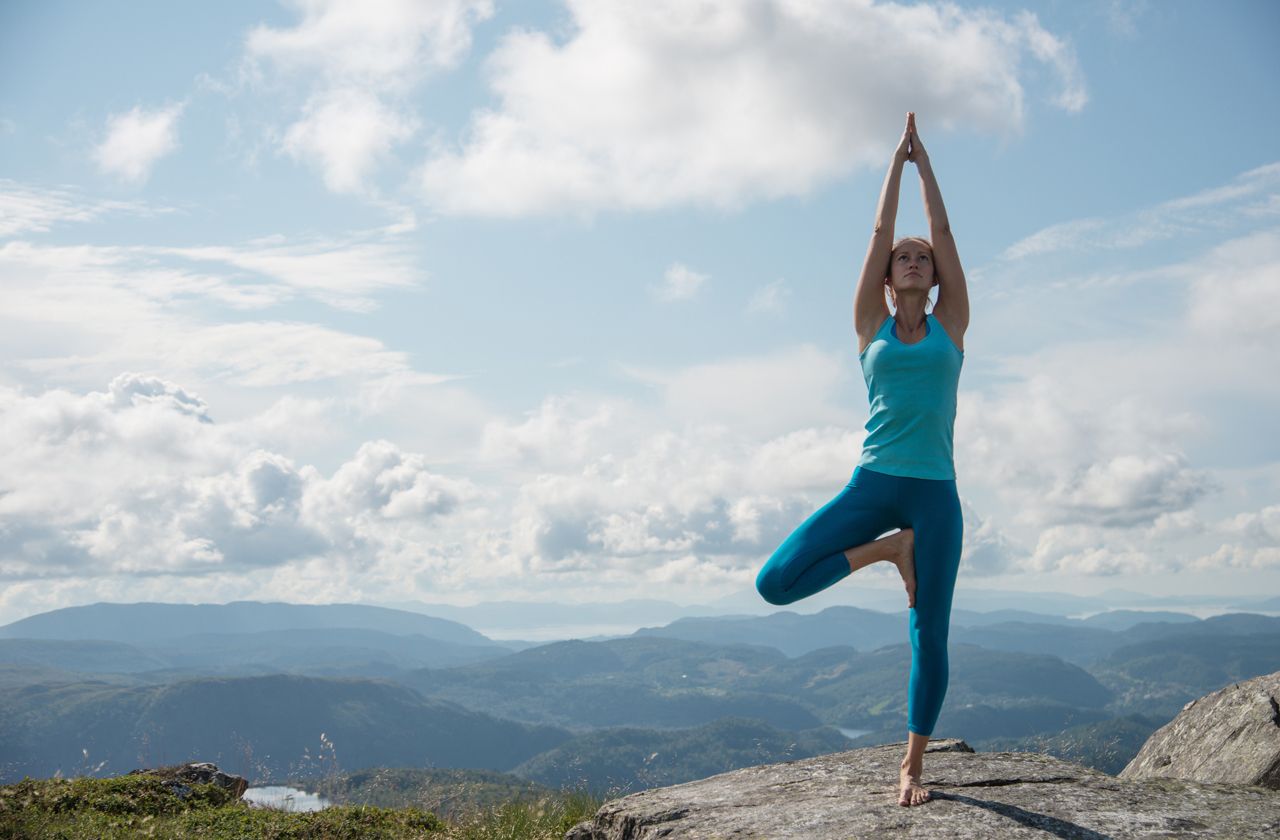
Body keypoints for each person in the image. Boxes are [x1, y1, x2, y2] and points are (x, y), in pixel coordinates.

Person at [754, 112, 968, 807]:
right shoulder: (868, 325)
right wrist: (892, 164)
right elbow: (879, 234)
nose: (913, 259)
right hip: (872, 489)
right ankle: (888, 552)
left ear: (933, 279)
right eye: (902, 258)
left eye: (922, 260)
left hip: (935, 493)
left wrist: (925, 165)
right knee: (775, 581)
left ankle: (912, 767)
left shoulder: (952, 326)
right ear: (887, 275)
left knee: (928, 634)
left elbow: (944, 235)